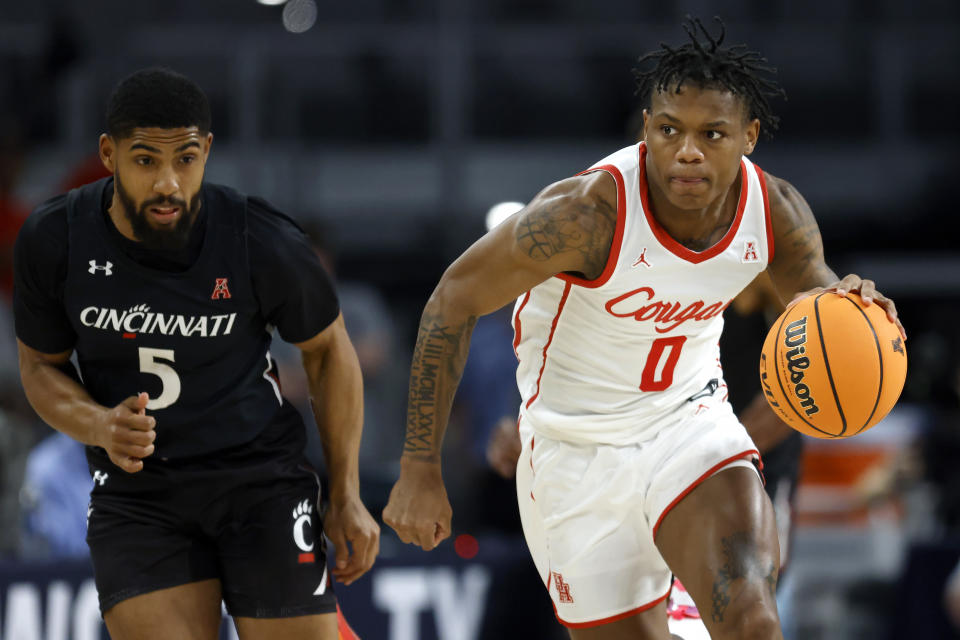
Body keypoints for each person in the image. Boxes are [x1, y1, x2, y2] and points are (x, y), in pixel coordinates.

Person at [384, 17, 904, 640]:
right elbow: (452, 300)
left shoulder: (775, 213)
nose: (687, 150)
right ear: (647, 131)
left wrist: (859, 311)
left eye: (712, 134)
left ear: (749, 137)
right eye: (669, 130)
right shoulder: (584, 216)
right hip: (573, 449)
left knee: (754, 622)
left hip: (688, 422)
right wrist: (420, 467)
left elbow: (823, 306)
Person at [13, 67, 378, 640]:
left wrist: (347, 493)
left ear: (206, 150)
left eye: (185, 159)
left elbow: (329, 350)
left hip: (258, 478)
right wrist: (100, 424)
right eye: (145, 160)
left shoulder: (260, 238)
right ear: (108, 155)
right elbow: (39, 367)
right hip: (140, 493)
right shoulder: (55, 240)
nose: (167, 183)